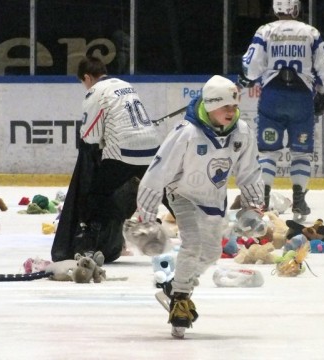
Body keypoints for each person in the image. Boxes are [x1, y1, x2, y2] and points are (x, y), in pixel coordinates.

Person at [136, 75, 265, 339]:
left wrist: (254, 205)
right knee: (192, 244)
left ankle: (173, 288)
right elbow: (157, 172)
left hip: (214, 199)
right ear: (210, 105)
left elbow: (249, 171)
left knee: (210, 253)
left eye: (234, 105)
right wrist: (146, 213)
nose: (232, 111)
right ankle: (181, 300)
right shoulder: (186, 133)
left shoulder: (242, 132)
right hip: (181, 193)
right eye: (225, 106)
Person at [240, 0, 324, 222]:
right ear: (297, 9)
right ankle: (299, 200)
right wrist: (320, 92)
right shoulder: (310, 32)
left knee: (267, 152)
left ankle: (262, 199)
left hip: (272, 97)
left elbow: (251, 68)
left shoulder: (265, 31)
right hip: (301, 99)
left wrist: (246, 79)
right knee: (301, 153)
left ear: (275, 9)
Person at [67, 55, 164, 262]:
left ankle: (91, 245)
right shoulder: (125, 85)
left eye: (83, 82)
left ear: (86, 77)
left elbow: (90, 136)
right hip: (152, 147)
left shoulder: (95, 92)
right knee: (160, 191)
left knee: (95, 194)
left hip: (124, 151)